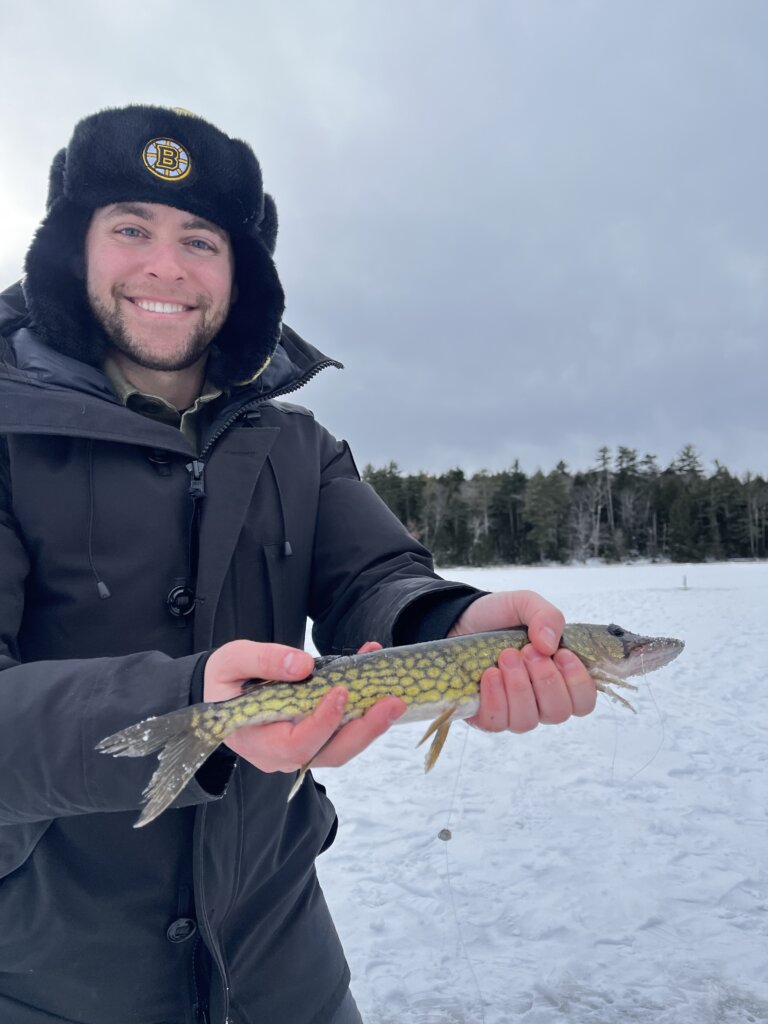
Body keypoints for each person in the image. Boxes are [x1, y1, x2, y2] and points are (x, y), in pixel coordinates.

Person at [0, 105, 597, 1024]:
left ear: (242, 276)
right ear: (68, 251)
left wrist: (460, 626)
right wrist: (193, 703)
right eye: (130, 229)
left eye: (201, 240)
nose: (165, 265)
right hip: (43, 976)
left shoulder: (296, 444)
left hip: (281, 969)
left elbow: (378, 580)